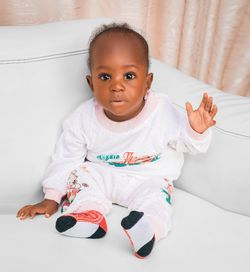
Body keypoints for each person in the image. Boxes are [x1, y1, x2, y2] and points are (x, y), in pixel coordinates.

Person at [16, 22, 217, 258]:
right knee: (81, 175)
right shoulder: (82, 119)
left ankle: (149, 227)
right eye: (105, 76)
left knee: (157, 199)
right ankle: (87, 216)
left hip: (148, 179)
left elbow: (190, 145)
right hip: (103, 176)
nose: (117, 85)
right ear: (91, 84)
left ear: (147, 82)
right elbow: (66, 159)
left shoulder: (163, 111)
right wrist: (52, 197)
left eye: (129, 75)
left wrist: (196, 130)